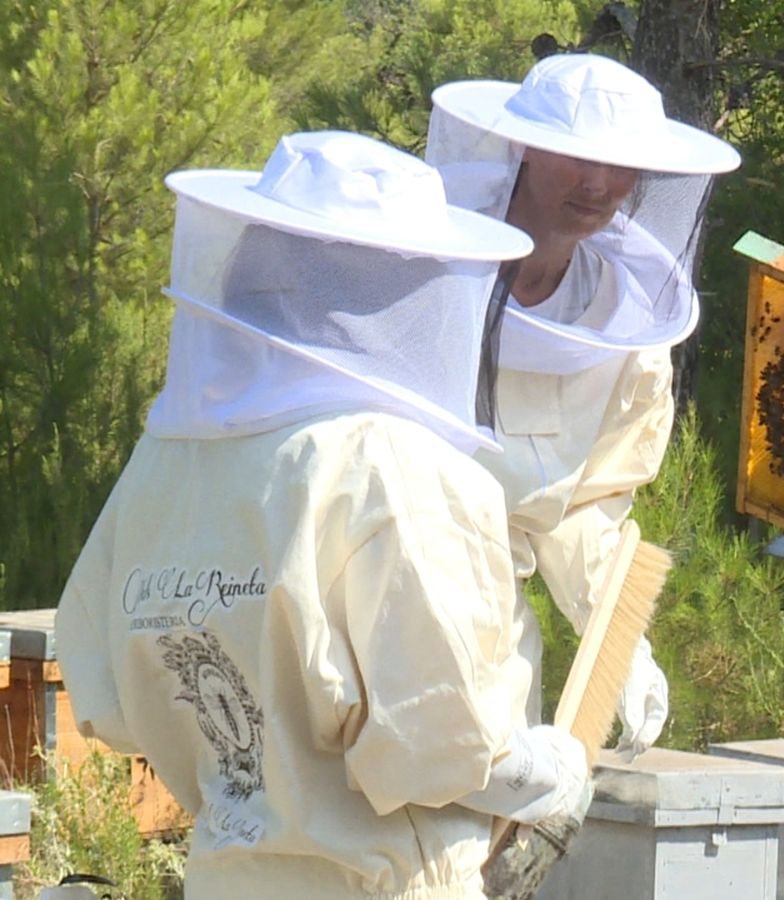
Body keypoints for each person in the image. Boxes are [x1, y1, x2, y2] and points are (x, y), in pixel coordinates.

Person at [54, 131, 589, 898]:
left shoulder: (165, 457)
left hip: (227, 875)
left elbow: (109, 698)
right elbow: (439, 744)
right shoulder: (391, 465)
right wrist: (547, 773)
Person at [424, 54, 740, 757]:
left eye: (619, 165)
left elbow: (586, 506)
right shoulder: (428, 268)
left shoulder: (628, 326)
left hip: (494, 613)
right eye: (576, 158)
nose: (598, 184)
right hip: (388, 576)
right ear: (525, 147)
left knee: (489, 802)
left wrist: (620, 641)